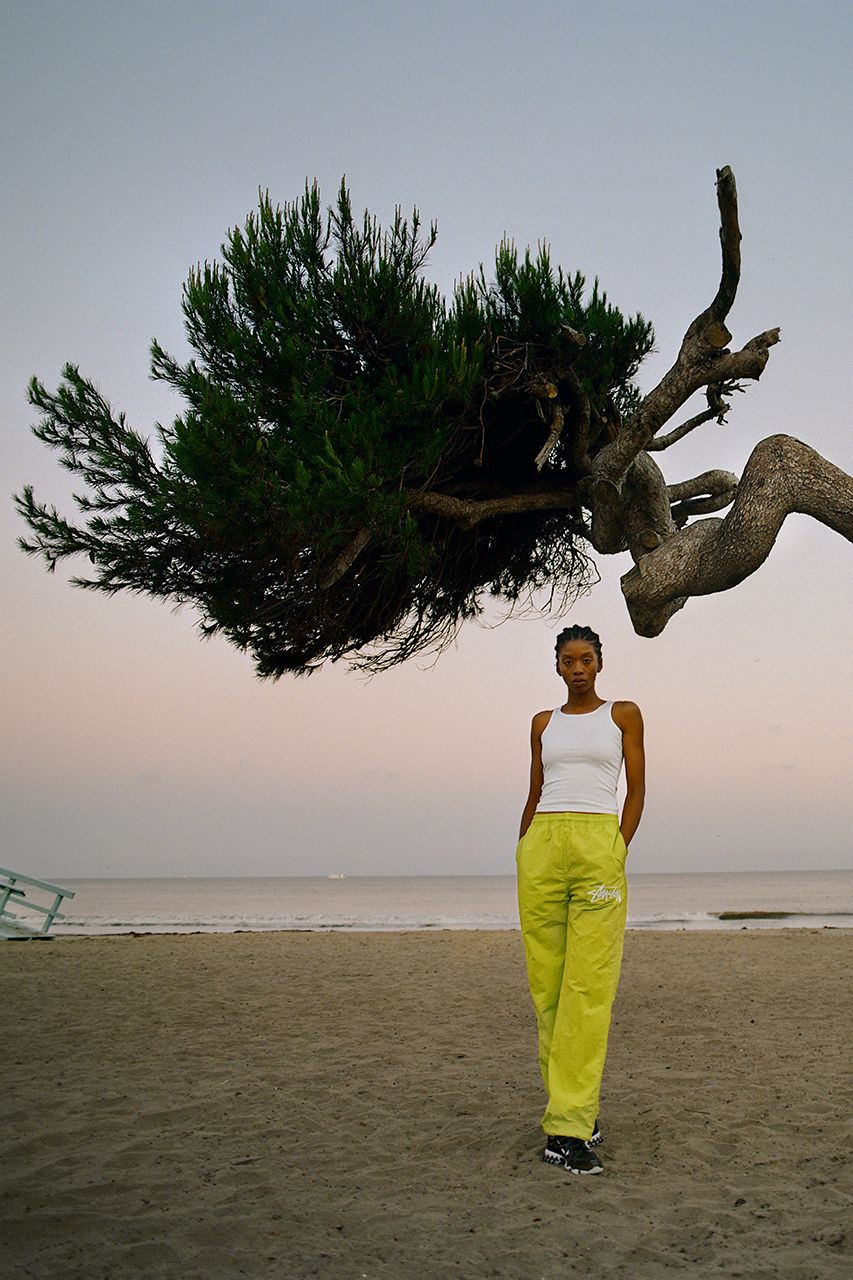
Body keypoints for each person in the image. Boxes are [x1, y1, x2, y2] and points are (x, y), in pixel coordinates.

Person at [516, 624, 645, 1175]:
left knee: (588, 988)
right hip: (543, 846)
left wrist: (617, 848)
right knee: (547, 988)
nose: (577, 669)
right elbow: (534, 790)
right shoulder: (542, 723)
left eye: (586, 659)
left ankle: (569, 1126)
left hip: (597, 846)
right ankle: (569, 1116)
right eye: (568, 661)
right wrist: (524, 847)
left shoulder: (623, 714)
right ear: (557, 666)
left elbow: (636, 790)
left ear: (599, 664)